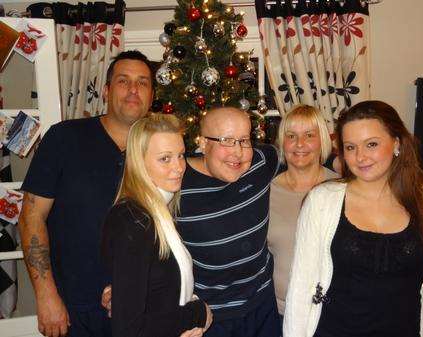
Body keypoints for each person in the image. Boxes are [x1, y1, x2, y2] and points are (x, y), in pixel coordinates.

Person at [283, 100, 423, 337]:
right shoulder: (322, 201)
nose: (360, 157)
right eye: (350, 147)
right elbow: (300, 288)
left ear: (397, 144)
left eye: (371, 144)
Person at [18, 50, 153, 337]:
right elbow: (31, 216)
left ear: (151, 94)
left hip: (140, 308)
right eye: (123, 81)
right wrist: (46, 296)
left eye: (142, 83)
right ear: (106, 90)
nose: (133, 90)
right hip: (74, 311)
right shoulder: (64, 138)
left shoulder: (160, 150)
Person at [101, 114, 213, 337]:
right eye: (165, 158)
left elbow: (157, 296)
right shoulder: (133, 221)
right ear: (139, 162)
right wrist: (197, 313)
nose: (179, 167)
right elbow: (129, 330)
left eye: (181, 155)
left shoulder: (155, 211)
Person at [177, 107, 282, 337]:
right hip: (211, 317)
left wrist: (337, 161)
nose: (238, 153)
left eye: (244, 140)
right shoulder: (176, 185)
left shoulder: (261, 162)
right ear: (203, 143)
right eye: (226, 141)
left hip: (262, 303)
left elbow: (297, 155)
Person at [267, 105, 339, 320]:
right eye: (291, 136)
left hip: (333, 313)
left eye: (309, 135)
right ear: (282, 142)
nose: (299, 144)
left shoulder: (341, 189)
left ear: (322, 141)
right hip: (279, 313)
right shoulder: (266, 192)